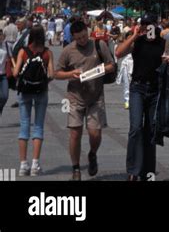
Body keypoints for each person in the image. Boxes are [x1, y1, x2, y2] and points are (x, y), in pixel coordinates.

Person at [115, 13, 169, 181]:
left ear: (155, 25)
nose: (148, 27)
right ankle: (133, 170)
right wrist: (134, 35)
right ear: (141, 26)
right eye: (144, 24)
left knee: (151, 130)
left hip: (155, 90)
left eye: (150, 24)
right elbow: (118, 53)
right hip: (137, 88)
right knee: (135, 128)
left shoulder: (162, 43)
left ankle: (147, 172)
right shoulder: (137, 42)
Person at [55, 19, 115, 181]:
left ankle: (92, 154)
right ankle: (76, 168)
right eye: (78, 38)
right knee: (75, 133)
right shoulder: (68, 50)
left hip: (96, 96)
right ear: (73, 37)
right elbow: (56, 73)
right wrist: (70, 74)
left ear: (87, 32)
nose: (82, 40)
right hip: (75, 97)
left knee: (95, 133)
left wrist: (98, 71)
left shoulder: (98, 45)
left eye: (84, 37)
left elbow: (111, 65)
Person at [12, 25, 54, 176]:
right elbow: (51, 74)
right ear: (43, 36)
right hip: (41, 92)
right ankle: (35, 164)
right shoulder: (47, 53)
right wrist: (42, 82)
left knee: (24, 126)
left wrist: (22, 79)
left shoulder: (23, 52)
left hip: (25, 92)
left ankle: (23, 165)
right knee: (38, 126)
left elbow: (16, 72)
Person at [0, 30, 10, 115]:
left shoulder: (6, 45)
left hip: (3, 75)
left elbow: (11, 57)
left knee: (5, 96)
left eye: (1, 35)